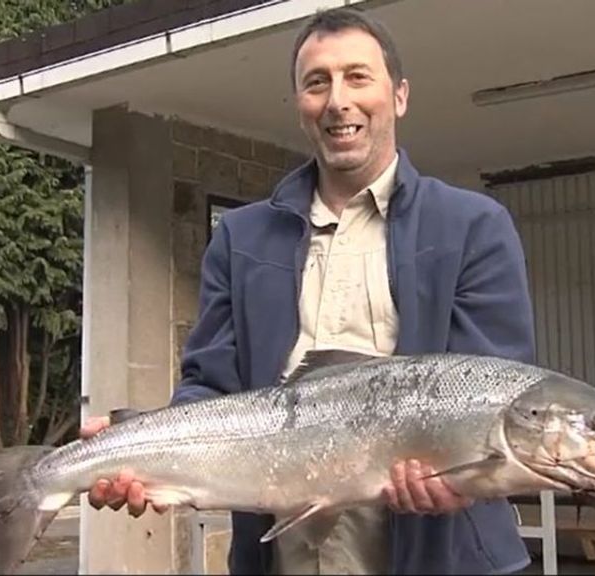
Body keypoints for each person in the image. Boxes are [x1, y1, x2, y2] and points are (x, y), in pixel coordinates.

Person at [80, 6, 536, 575]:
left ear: (399, 96)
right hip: (282, 554)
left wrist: (463, 475)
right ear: (300, 107)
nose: (338, 100)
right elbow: (209, 385)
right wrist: (136, 444)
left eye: (357, 77)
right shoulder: (240, 238)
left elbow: (494, 392)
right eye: (316, 82)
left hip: (443, 555)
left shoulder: (474, 227)